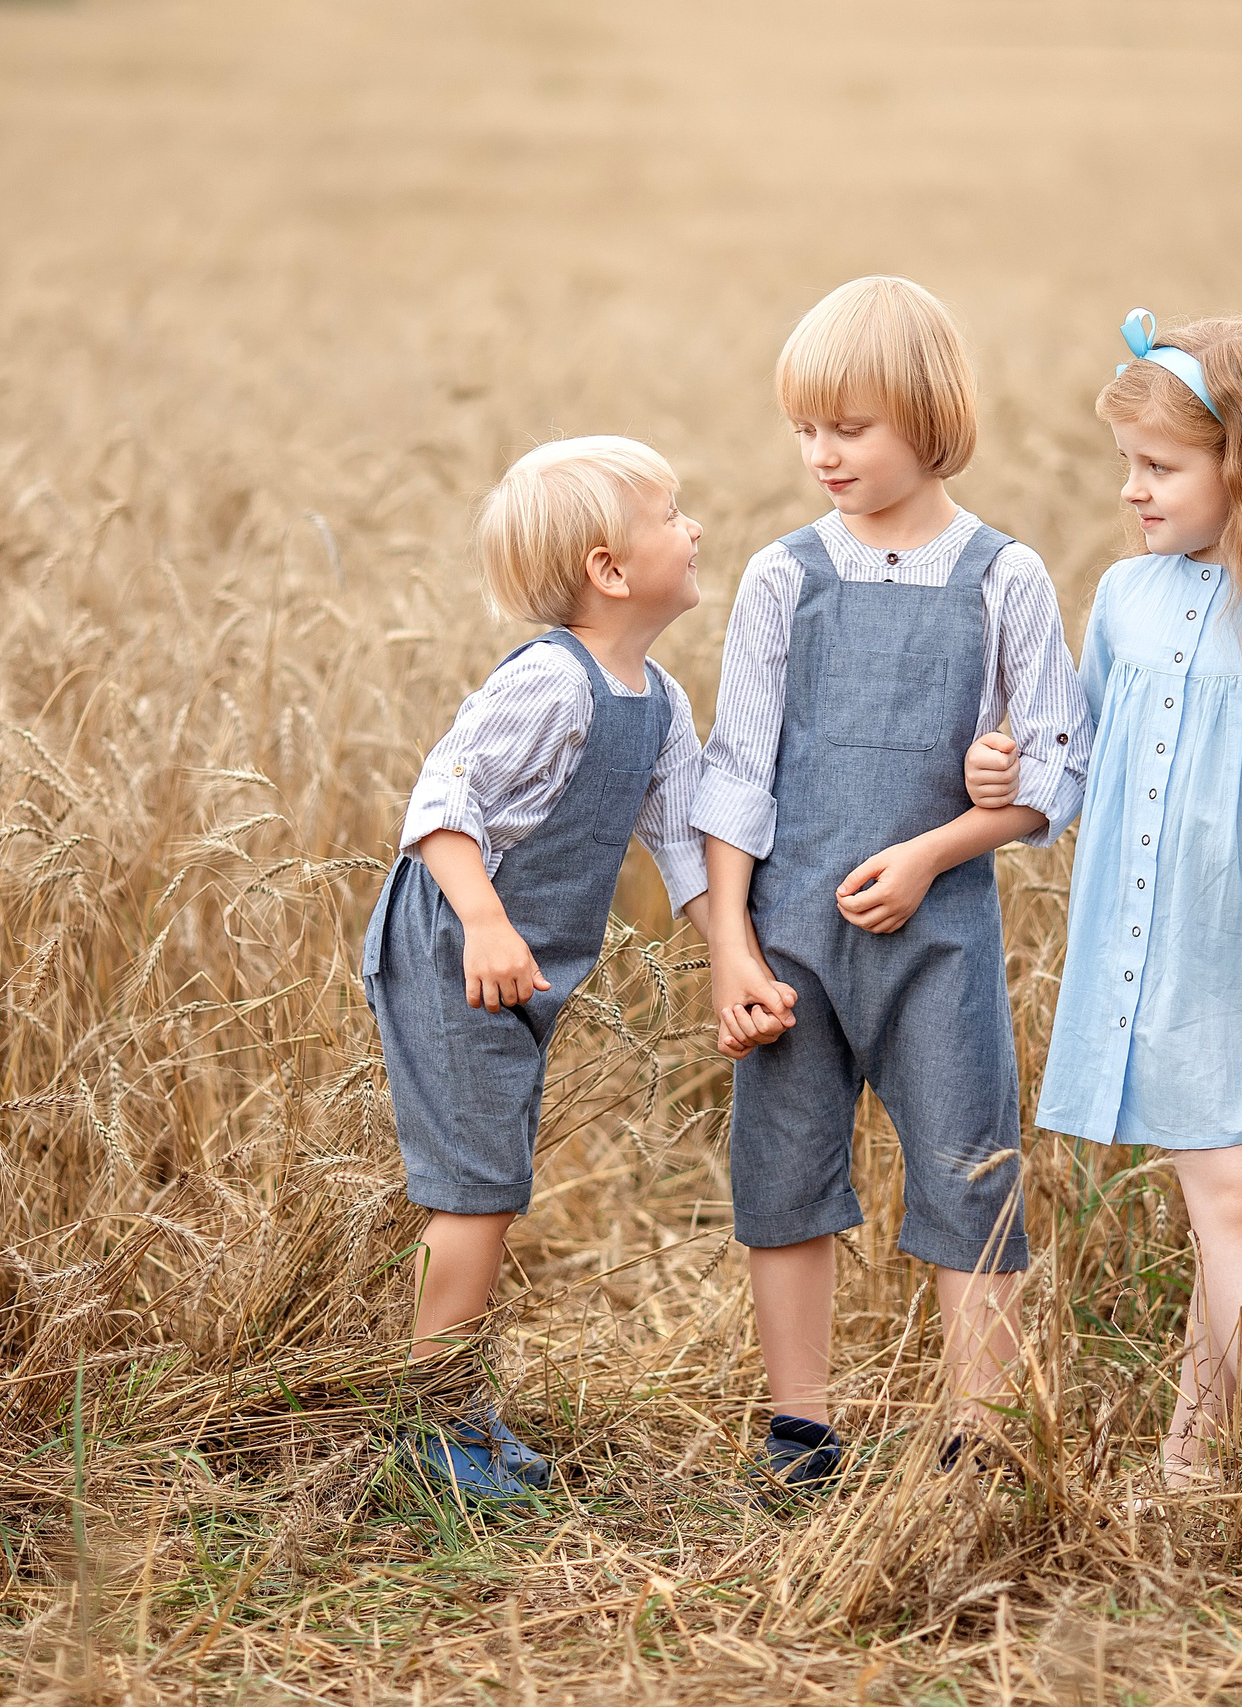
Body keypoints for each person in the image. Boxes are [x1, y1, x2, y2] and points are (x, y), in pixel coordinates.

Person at [968, 310, 1242, 1541]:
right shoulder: (1123, 596)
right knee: (1234, 1208)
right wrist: (1007, 772)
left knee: (1236, 1211)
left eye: (1159, 467)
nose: (1131, 490)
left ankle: (1187, 1464)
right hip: (1154, 960)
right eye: (1127, 464)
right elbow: (1079, 757)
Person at [695, 277, 1092, 1501]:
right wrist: (731, 948)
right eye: (805, 429)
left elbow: (1056, 776)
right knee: (783, 1173)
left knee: (970, 1167)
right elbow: (735, 776)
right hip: (790, 942)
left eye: (850, 428)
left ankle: (980, 1441)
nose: (822, 454)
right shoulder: (782, 578)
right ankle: (799, 1430)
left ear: (928, 420)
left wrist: (937, 848)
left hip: (941, 942)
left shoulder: (1003, 577)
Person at [365, 435, 715, 1503]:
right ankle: (433, 1430)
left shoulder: (657, 700)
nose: (695, 528)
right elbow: (442, 802)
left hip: (517, 968)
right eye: (672, 514)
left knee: (492, 1187)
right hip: (455, 948)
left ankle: (456, 1413)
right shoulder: (552, 685)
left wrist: (735, 960)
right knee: (476, 1194)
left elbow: (687, 845)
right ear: (610, 568)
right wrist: (483, 923)